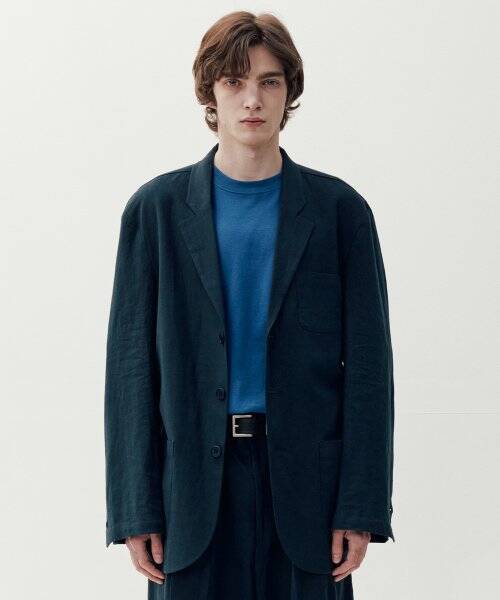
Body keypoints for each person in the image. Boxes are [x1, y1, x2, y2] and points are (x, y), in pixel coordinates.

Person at [104, 10, 395, 600]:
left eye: (269, 81)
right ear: (210, 93)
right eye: (234, 82)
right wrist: (135, 507)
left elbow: (370, 370)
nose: (252, 100)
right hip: (190, 495)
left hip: (309, 495)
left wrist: (360, 504)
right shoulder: (156, 212)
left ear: (289, 92)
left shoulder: (340, 213)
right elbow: (130, 370)